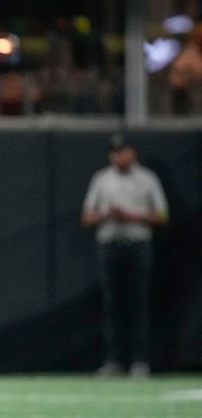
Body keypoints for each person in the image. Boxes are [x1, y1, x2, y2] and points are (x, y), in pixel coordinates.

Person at [81, 134, 169, 378]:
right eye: (115, 152)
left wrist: (132, 216)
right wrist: (107, 214)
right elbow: (87, 217)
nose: (120, 156)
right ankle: (114, 360)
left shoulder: (147, 179)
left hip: (138, 245)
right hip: (110, 245)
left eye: (124, 151)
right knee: (112, 305)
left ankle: (140, 361)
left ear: (133, 152)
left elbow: (162, 215)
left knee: (138, 303)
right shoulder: (102, 179)